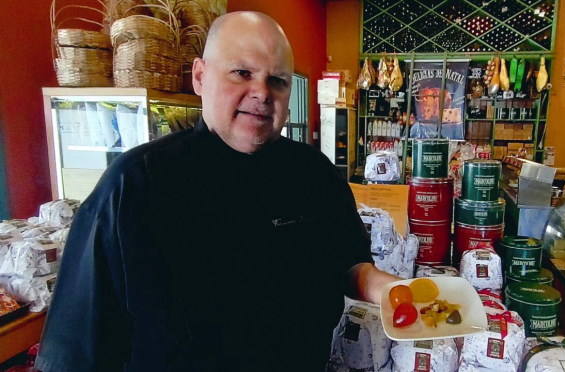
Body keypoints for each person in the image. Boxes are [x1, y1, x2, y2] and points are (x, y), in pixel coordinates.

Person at [35, 11, 398, 372]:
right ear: (200, 77)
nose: (261, 93)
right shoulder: (134, 184)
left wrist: (387, 289)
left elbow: (349, 265)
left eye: (278, 81)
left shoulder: (315, 173)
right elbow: (75, 347)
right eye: (242, 73)